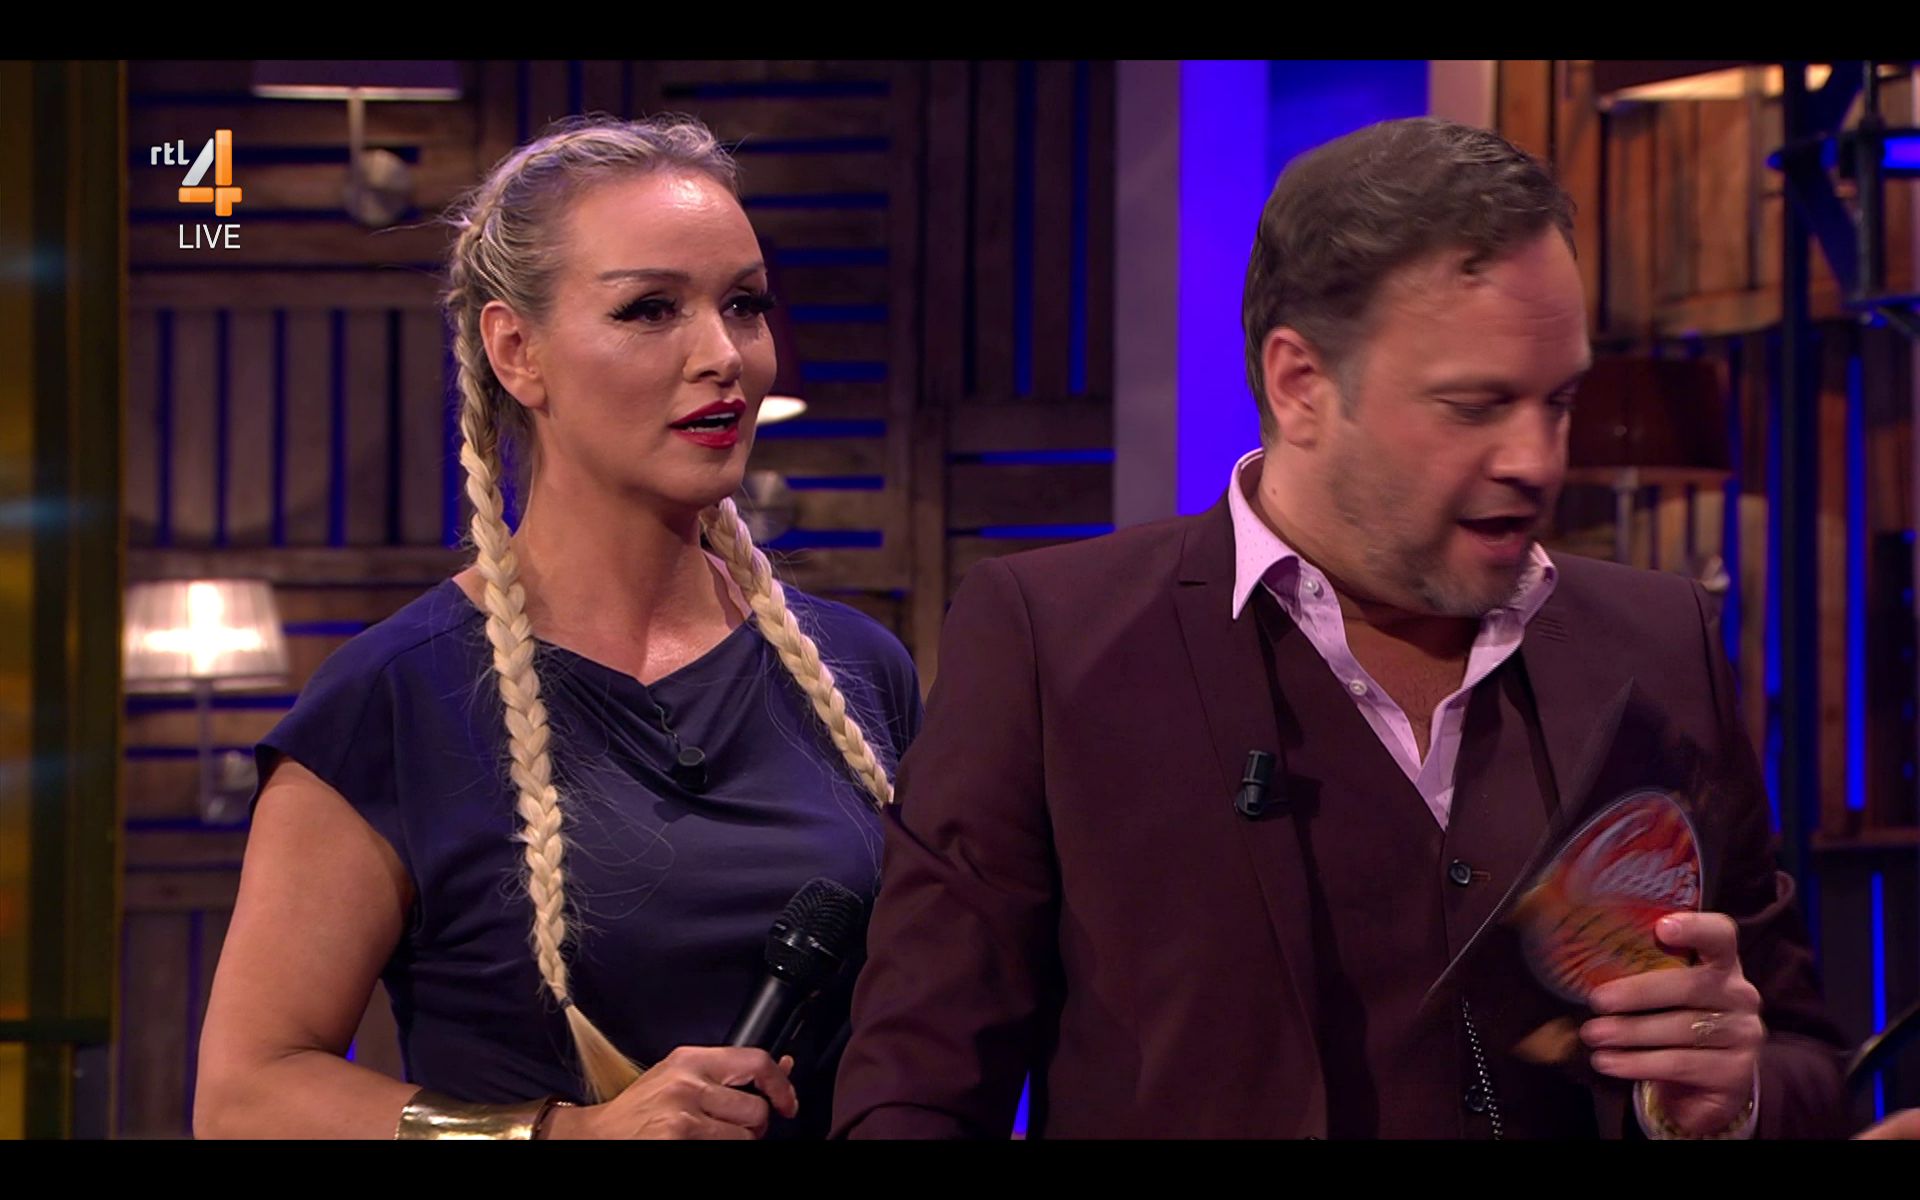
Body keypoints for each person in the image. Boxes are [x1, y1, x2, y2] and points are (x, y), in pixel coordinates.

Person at [831, 117, 1850, 1140]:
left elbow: (1808, 1061)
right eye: (1475, 405)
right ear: (1301, 384)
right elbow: (913, 1092)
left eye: (1560, 400)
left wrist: (1737, 1097)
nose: (1538, 460)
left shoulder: (1659, 641)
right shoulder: (1051, 641)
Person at [194, 115, 921, 1141]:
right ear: (516, 351)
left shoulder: (859, 670)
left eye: (745, 305)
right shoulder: (391, 700)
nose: (724, 355)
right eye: (651, 309)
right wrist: (558, 1136)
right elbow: (246, 1098)